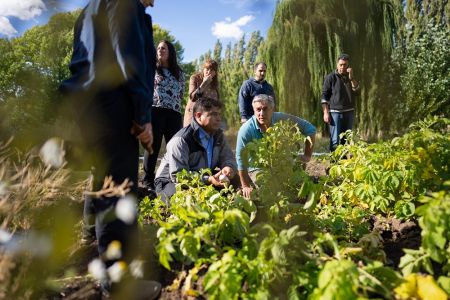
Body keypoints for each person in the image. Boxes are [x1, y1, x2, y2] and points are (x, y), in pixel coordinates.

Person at [59, 0, 160, 297]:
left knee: (103, 176)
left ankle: (94, 239)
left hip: (87, 103)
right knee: (120, 188)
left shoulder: (91, 8)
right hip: (113, 103)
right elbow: (129, 58)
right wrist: (143, 116)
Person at [154, 97, 237, 202]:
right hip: (170, 182)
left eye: (219, 114)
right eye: (214, 114)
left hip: (203, 178)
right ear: (198, 116)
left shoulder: (218, 136)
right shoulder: (181, 140)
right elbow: (179, 176)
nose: (219, 118)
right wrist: (208, 180)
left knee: (235, 181)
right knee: (185, 199)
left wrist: (228, 167)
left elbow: (228, 157)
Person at [236, 94, 317, 198]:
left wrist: (307, 155)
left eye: (265, 109)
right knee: (270, 193)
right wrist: (245, 186)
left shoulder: (282, 119)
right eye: (258, 109)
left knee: (300, 188)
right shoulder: (246, 130)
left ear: (272, 109)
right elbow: (240, 159)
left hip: (283, 164)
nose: (262, 113)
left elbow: (310, 129)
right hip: (258, 169)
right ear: (254, 110)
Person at [143, 40, 185, 191]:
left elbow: (180, 95)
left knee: (174, 148)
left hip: (174, 114)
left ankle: (172, 179)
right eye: (159, 48)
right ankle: (148, 181)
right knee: (152, 147)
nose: (160, 50)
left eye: (164, 48)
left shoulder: (179, 73)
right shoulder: (151, 69)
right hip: (155, 111)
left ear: (170, 52)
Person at [321, 53, 360, 152]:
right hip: (335, 113)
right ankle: (334, 165)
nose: (342, 67)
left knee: (346, 140)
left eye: (345, 65)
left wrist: (352, 79)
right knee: (335, 141)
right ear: (337, 65)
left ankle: (344, 165)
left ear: (348, 65)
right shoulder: (330, 77)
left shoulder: (352, 77)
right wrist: (325, 113)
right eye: (341, 64)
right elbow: (324, 96)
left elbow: (357, 92)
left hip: (349, 112)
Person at [183, 59, 219, 127]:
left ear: (215, 73)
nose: (209, 72)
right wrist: (204, 83)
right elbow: (193, 97)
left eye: (212, 70)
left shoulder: (215, 85)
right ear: (203, 69)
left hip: (208, 119)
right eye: (207, 69)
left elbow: (217, 103)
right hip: (194, 117)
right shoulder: (195, 78)